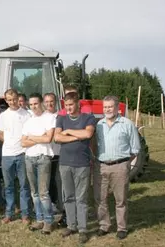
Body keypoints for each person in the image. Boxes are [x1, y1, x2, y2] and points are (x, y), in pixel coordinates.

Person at [94, 95, 141, 240]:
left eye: (110, 106)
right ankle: (104, 225)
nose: (107, 109)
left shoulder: (127, 124)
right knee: (100, 198)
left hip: (120, 166)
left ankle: (121, 227)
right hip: (101, 166)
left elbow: (135, 148)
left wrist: (125, 164)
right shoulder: (99, 124)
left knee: (120, 199)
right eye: (105, 107)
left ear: (117, 108)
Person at [54, 92, 96, 244]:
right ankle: (71, 225)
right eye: (66, 105)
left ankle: (83, 229)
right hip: (65, 164)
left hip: (82, 164)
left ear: (78, 104)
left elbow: (88, 133)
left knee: (81, 198)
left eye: (71, 104)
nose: (69, 108)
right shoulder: (61, 118)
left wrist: (69, 131)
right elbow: (57, 137)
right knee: (68, 197)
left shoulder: (88, 117)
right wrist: (77, 137)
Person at [21, 93, 56, 234]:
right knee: (34, 193)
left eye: (36, 103)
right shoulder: (28, 121)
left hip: (43, 158)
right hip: (29, 158)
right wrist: (39, 138)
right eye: (31, 104)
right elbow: (23, 142)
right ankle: (39, 219)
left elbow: (48, 139)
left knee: (43, 193)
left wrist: (32, 137)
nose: (34, 106)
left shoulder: (49, 118)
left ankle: (48, 221)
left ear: (41, 103)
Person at [0, 89, 31, 224]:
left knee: (24, 185)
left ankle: (25, 214)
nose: (12, 102)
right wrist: (10, 142)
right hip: (7, 155)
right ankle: (9, 213)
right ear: (6, 100)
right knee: (8, 186)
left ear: (18, 98)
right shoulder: (3, 116)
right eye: (9, 100)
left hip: (22, 154)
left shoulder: (27, 114)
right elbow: (1, 135)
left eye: (14, 99)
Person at [43, 93, 66, 226]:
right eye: (46, 102)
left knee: (59, 182)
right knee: (47, 182)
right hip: (46, 154)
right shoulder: (41, 117)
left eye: (51, 101)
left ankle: (61, 209)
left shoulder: (61, 116)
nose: (49, 104)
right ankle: (49, 209)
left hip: (59, 153)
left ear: (55, 102)